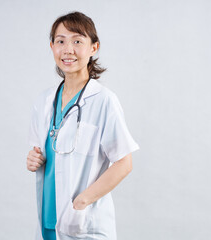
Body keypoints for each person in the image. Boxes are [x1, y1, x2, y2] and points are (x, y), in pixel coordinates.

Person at [26, 11, 140, 240]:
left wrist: (82, 202)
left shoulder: (104, 101)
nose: (68, 49)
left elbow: (124, 163)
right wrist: (34, 159)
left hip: (82, 223)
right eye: (60, 41)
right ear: (52, 47)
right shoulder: (44, 101)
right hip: (50, 220)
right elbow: (45, 153)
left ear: (93, 48)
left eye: (77, 41)